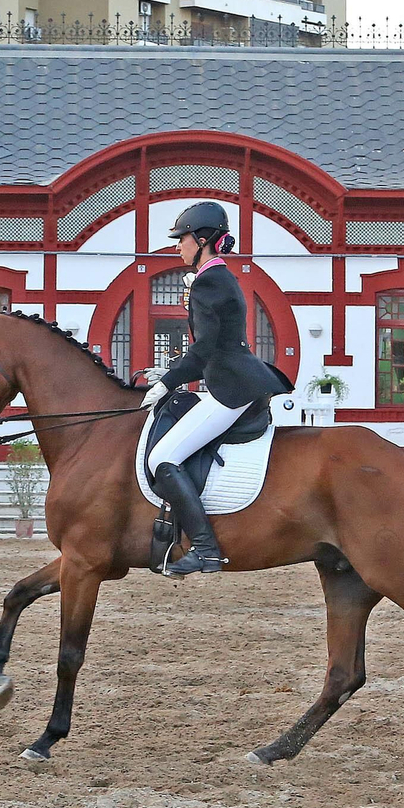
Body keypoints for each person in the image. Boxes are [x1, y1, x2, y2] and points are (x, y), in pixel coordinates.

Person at [141, 201, 289, 576]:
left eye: (182, 239)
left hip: (231, 389)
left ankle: (205, 549)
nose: (178, 246)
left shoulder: (209, 281)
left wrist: (168, 382)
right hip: (230, 381)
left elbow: (205, 349)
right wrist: (170, 370)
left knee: (162, 459)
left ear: (202, 239)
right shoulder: (216, 276)